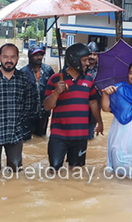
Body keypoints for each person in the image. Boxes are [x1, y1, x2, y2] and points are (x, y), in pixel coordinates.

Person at [44, 43, 104, 171]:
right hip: (58, 135)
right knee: (54, 170)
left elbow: (93, 102)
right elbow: (47, 106)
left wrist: (99, 122)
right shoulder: (55, 79)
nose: (88, 63)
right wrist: (56, 93)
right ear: (74, 60)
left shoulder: (89, 79)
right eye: (84, 60)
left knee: (76, 172)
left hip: (81, 135)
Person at [0, 43, 36, 171]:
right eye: (5, 57)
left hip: (15, 133)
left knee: (15, 171)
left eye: (12, 57)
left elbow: (29, 105)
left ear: (18, 58)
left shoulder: (24, 80)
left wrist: (18, 122)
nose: (9, 60)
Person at [20, 44, 55, 140]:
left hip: (44, 112)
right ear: (30, 57)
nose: (39, 57)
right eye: (35, 55)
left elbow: (54, 88)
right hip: (28, 113)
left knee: (41, 138)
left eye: (40, 55)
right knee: (25, 139)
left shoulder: (48, 70)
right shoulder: (22, 72)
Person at [86, 41, 100, 140]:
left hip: (95, 108)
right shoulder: (80, 69)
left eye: (95, 54)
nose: (92, 57)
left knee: (90, 136)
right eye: (90, 54)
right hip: (81, 107)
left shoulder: (102, 71)